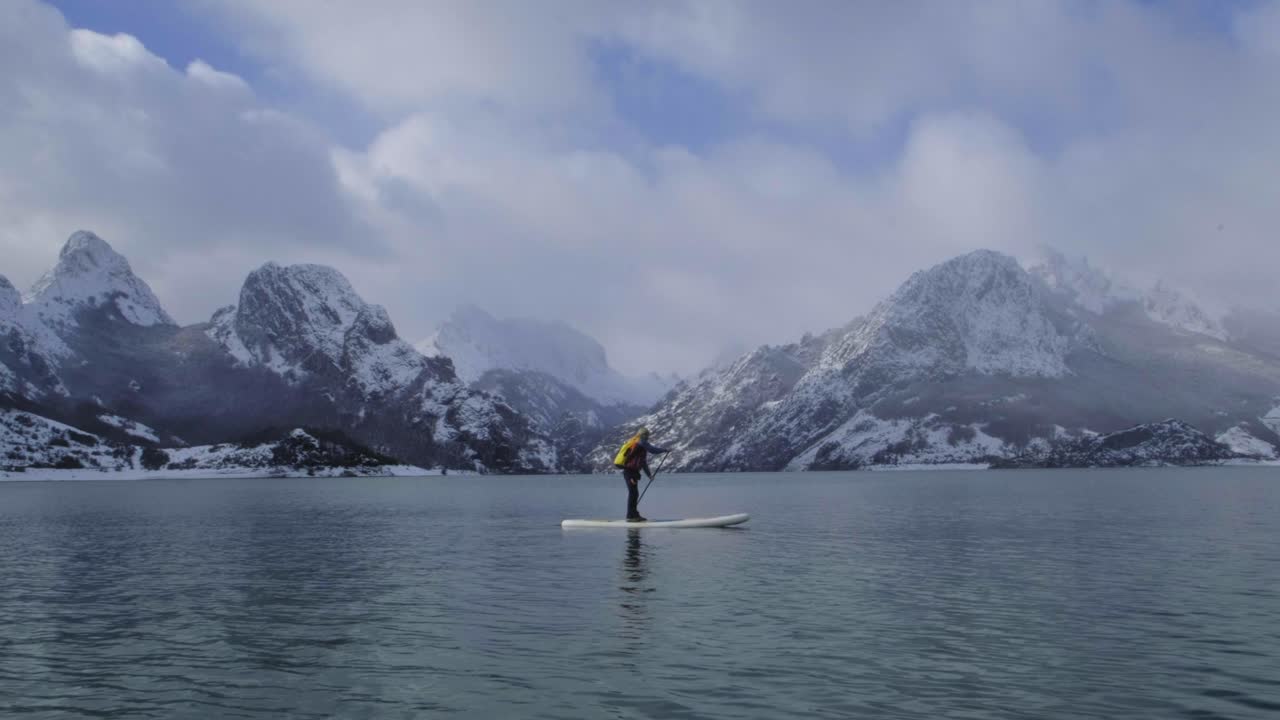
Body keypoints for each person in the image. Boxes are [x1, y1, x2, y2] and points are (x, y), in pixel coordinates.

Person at [613, 427, 671, 522]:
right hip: (630, 472)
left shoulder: (640, 447)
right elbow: (653, 450)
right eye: (647, 435)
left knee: (634, 493)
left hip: (632, 472)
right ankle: (631, 516)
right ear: (643, 435)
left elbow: (643, 463)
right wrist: (665, 450)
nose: (648, 437)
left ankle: (633, 514)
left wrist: (649, 475)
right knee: (633, 493)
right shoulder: (641, 442)